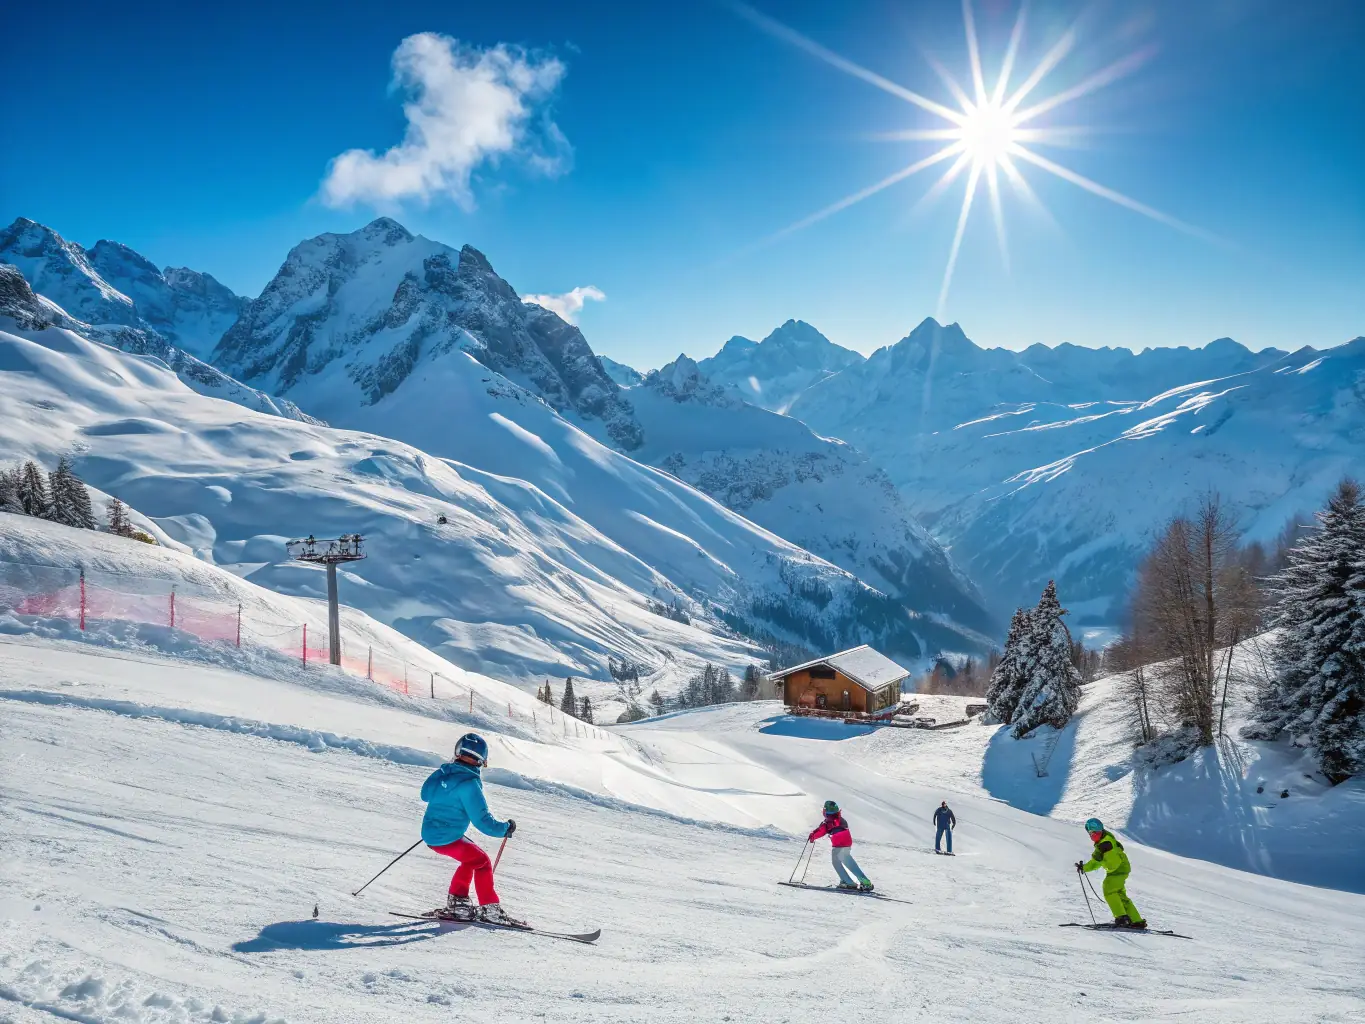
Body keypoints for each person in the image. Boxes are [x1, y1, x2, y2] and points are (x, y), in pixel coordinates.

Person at [420, 732, 520, 925]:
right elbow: (483, 821)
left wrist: (441, 772)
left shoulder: (444, 773)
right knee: (482, 861)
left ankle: (459, 905)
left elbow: (425, 795)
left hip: (431, 834)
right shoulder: (470, 784)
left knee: (471, 858)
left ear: (458, 751)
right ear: (482, 761)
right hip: (448, 837)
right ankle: (490, 910)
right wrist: (505, 829)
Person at [1075, 817, 1146, 929]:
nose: (1093, 835)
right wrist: (1084, 868)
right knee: (1120, 895)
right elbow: (1096, 862)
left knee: (1109, 889)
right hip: (1121, 869)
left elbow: (1112, 865)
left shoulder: (1106, 844)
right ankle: (1136, 920)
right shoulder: (1102, 843)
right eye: (1091, 833)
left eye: (1096, 832)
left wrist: (1102, 861)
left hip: (1118, 870)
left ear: (1101, 831)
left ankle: (1122, 918)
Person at [808, 800, 873, 891]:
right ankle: (857, 881)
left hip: (839, 845)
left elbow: (822, 830)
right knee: (847, 862)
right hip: (845, 844)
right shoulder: (837, 819)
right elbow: (824, 828)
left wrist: (813, 836)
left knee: (838, 863)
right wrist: (814, 834)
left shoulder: (830, 821)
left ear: (826, 811)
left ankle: (850, 882)